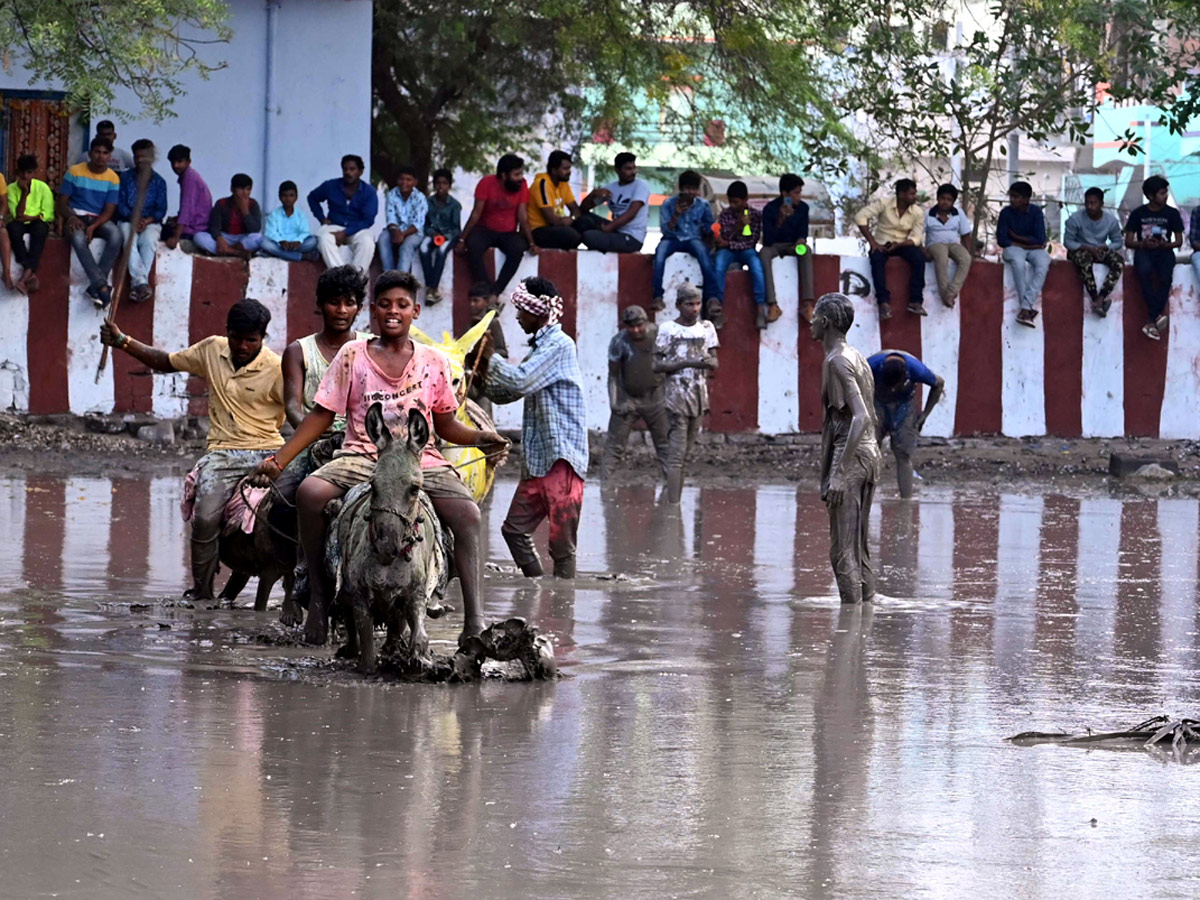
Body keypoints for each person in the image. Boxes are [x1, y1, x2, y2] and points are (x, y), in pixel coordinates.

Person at [252, 270, 508, 645]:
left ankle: (474, 620)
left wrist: (482, 438)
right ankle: (319, 596)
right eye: (385, 304)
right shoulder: (351, 355)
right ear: (372, 311)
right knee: (308, 493)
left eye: (402, 305)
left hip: (421, 461)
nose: (393, 312)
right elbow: (321, 416)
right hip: (363, 454)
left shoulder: (433, 361)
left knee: (468, 515)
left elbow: (447, 424)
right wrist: (278, 461)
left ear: (415, 311)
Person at [99, 298, 285, 602]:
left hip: (268, 452)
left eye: (251, 340)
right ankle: (202, 592)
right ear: (227, 332)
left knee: (302, 511)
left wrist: (284, 459)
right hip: (223, 452)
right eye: (236, 338)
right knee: (204, 519)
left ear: (262, 338)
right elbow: (165, 361)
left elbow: (296, 413)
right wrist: (123, 341)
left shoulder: (277, 368)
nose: (242, 346)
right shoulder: (212, 348)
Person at [479, 276, 588, 578]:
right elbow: (509, 393)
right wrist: (480, 379)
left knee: (562, 547)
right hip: (540, 461)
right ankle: (540, 588)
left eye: (521, 311)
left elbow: (520, 381)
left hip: (562, 458)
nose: (517, 317)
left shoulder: (559, 345)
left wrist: (492, 360)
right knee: (514, 531)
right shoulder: (540, 348)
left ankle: (562, 604)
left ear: (538, 311)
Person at [271, 266, 372, 558]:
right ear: (320, 305)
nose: (341, 310)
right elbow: (292, 404)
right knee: (281, 501)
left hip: (363, 444)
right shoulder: (298, 351)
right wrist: (317, 434)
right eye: (334, 301)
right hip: (313, 441)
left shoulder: (371, 347)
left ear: (360, 308)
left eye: (349, 303)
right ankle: (294, 568)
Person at [813, 292, 881, 605]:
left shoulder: (837, 361)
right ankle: (864, 619)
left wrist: (838, 472)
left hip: (852, 457)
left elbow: (861, 416)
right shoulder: (857, 357)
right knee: (858, 547)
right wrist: (825, 471)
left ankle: (850, 627)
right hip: (868, 456)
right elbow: (837, 421)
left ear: (825, 322)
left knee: (841, 550)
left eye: (814, 316)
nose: (810, 322)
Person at [654, 284, 719, 503]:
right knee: (676, 455)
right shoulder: (667, 329)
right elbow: (657, 365)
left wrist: (708, 362)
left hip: (699, 397)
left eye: (697, 303)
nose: (694, 308)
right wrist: (687, 362)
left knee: (688, 455)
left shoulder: (707, 328)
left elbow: (715, 361)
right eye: (689, 304)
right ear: (678, 305)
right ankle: (672, 506)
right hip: (676, 397)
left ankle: (674, 501)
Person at [602, 305, 669, 479]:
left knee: (666, 446)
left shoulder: (660, 337)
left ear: (646, 322)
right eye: (631, 326)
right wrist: (615, 404)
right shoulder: (619, 342)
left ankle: (672, 492)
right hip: (628, 399)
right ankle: (605, 487)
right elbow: (613, 377)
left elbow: (673, 369)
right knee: (614, 447)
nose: (636, 330)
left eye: (639, 325)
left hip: (656, 398)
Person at [457, 153, 537, 299]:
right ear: (504, 175)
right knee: (473, 246)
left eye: (521, 174)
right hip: (485, 230)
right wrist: (462, 239)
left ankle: (496, 292)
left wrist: (531, 242)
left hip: (508, 233)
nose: (520, 178)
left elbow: (522, 216)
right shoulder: (486, 183)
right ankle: (487, 290)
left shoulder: (523, 185)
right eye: (516, 174)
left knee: (518, 249)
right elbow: (476, 214)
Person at [867, 350, 944, 499]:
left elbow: (939, 383)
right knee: (870, 450)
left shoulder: (916, 369)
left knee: (903, 454)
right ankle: (865, 499)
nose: (893, 389)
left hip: (904, 405)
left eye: (896, 385)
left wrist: (924, 415)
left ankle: (906, 504)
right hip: (876, 403)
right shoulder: (869, 366)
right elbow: (850, 385)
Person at [57, 135, 123, 308]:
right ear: (90, 154)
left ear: (110, 156)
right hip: (75, 217)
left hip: (97, 219)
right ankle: (101, 285)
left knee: (116, 235)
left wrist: (93, 226)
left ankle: (96, 286)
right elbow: (61, 203)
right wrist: (71, 217)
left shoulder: (113, 178)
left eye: (105, 153)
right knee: (78, 239)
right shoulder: (75, 172)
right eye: (97, 152)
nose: (101, 156)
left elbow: (109, 210)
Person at [652, 170, 719, 323]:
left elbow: (709, 227)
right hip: (673, 238)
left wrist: (711, 230)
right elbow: (665, 229)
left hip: (693, 239)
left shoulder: (703, 205)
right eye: (687, 189)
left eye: (694, 189)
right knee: (660, 254)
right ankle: (657, 296)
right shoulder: (669, 204)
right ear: (681, 189)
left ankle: (713, 298)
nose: (691, 193)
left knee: (704, 255)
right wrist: (676, 214)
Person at [855, 178, 926, 320]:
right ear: (901, 194)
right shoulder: (884, 203)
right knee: (876, 259)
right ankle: (883, 303)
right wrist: (873, 242)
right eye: (911, 194)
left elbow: (917, 238)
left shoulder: (917, 212)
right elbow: (860, 216)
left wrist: (900, 244)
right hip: (882, 243)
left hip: (902, 245)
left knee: (918, 258)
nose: (915, 196)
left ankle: (915, 301)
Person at [1126, 174, 1183, 341]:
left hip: (1165, 251)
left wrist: (1166, 244)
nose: (1165, 196)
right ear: (1150, 196)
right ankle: (1156, 315)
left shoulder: (1172, 214)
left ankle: (1151, 319)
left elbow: (1179, 241)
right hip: (1144, 251)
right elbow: (1128, 241)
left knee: (1166, 277)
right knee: (1143, 272)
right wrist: (1144, 243)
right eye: (1162, 193)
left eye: (1166, 192)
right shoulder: (1138, 214)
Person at [713, 180, 773, 329]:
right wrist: (738, 227)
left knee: (757, 267)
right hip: (728, 251)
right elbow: (724, 236)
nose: (733, 205)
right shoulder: (726, 214)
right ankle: (718, 306)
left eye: (736, 202)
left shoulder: (755, 215)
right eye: (730, 202)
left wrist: (731, 243)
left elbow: (752, 241)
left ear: (745, 200)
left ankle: (760, 308)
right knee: (719, 265)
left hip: (745, 250)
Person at [116, 138, 168, 303]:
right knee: (128, 237)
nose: (139, 161)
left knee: (149, 240)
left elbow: (161, 210)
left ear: (151, 158)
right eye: (136, 157)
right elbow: (120, 205)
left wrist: (146, 221)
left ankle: (137, 284)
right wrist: (134, 220)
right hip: (127, 220)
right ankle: (141, 283)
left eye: (143, 157)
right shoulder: (125, 178)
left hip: (150, 222)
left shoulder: (160, 182)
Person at [307, 154, 379, 273]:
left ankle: (355, 278)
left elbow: (368, 220)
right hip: (334, 225)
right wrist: (321, 218)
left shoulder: (369, 192)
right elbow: (312, 198)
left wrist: (346, 232)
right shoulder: (331, 186)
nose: (348, 172)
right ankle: (341, 276)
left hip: (357, 229)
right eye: (345, 169)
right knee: (323, 238)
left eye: (352, 169)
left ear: (360, 172)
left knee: (367, 242)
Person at [760, 173, 815, 322]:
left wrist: (801, 241)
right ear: (785, 194)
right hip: (775, 246)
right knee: (763, 254)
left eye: (799, 192)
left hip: (793, 246)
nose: (798, 196)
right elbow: (768, 240)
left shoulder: (803, 208)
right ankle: (772, 304)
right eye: (796, 193)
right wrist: (781, 218)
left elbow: (803, 232)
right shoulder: (770, 208)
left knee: (806, 251)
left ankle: (807, 303)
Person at [997, 181, 1051, 329]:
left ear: (1026, 199)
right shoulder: (1006, 213)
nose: (1012, 200)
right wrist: (1028, 243)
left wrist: (1016, 237)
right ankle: (1026, 308)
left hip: (1027, 248)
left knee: (1044, 262)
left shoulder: (1036, 212)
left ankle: (1025, 307)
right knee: (1019, 263)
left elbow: (1040, 239)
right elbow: (1002, 240)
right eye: (1012, 196)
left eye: (1017, 197)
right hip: (1014, 249)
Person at [1064, 186, 1124, 317]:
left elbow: (1118, 242)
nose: (1090, 206)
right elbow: (1068, 242)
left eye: (1093, 203)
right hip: (1080, 250)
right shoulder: (1075, 219)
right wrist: (1086, 247)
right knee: (1085, 260)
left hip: (1100, 250)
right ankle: (1094, 297)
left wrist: (1106, 247)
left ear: (1101, 204)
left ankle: (1102, 297)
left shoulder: (1111, 221)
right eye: (1087, 203)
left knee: (1118, 262)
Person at [579, 152, 650, 255]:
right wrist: (593, 194)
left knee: (589, 236)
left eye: (634, 168)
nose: (633, 172)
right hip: (616, 230)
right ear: (618, 170)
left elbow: (631, 213)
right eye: (628, 169)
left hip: (632, 237)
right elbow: (583, 209)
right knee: (583, 220)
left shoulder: (640, 185)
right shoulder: (611, 188)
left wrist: (609, 228)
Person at [7, 153, 53, 294]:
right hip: (21, 223)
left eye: (29, 172)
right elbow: (18, 216)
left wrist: (32, 217)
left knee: (40, 229)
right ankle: (30, 272)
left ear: (34, 172)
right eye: (23, 172)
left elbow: (46, 215)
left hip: (37, 223)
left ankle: (26, 274)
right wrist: (25, 194)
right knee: (13, 229)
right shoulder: (11, 189)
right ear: (18, 172)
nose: (26, 176)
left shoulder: (43, 188)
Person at [463, 281, 508, 417]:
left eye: (476, 301)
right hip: (469, 379)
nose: (472, 305)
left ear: (486, 301)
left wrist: (486, 353)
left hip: (485, 380)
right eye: (470, 301)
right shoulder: (469, 326)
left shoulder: (492, 324)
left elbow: (502, 351)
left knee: (484, 417)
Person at [924, 183, 973, 308]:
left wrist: (969, 252)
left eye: (949, 200)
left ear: (953, 201)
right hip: (934, 244)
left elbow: (965, 235)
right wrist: (924, 252)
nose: (945, 202)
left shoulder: (958, 213)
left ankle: (951, 293)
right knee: (942, 257)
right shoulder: (927, 213)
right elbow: (918, 235)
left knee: (966, 258)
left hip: (952, 244)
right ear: (938, 198)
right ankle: (944, 295)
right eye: (942, 198)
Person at [194, 174, 263, 259]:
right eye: (241, 189)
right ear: (232, 189)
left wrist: (245, 210)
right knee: (199, 237)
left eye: (248, 189)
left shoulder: (253, 204)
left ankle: (227, 251)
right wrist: (219, 238)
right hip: (225, 237)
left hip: (242, 238)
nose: (245, 193)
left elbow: (255, 229)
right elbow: (214, 227)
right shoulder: (221, 203)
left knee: (258, 238)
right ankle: (236, 253)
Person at [420, 168, 462, 304]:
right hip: (433, 234)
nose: (440, 186)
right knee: (423, 249)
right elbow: (424, 224)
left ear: (449, 186)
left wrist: (446, 236)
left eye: (444, 183)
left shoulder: (455, 205)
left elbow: (456, 228)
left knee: (441, 251)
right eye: (438, 183)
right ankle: (430, 288)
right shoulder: (427, 202)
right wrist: (432, 233)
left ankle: (433, 288)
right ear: (434, 185)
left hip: (448, 236)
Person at [377, 164, 427, 273]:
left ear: (415, 182)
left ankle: (400, 278)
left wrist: (402, 234)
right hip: (395, 230)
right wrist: (395, 232)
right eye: (401, 179)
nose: (404, 183)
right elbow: (391, 218)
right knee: (382, 239)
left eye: (408, 180)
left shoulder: (420, 198)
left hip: (414, 232)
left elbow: (418, 223)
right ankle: (388, 273)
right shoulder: (392, 195)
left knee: (406, 246)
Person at [162, 145, 213, 250]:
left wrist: (176, 237)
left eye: (180, 162)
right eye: (173, 162)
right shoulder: (187, 176)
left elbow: (187, 210)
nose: (176, 166)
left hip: (197, 227)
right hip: (196, 223)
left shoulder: (189, 178)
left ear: (188, 162)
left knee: (163, 232)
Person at [261, 180, 318, 262]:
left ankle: (276, 254)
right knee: (264, 242)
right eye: (284, 195)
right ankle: (301, 256)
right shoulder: (274, 214)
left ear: (296, 197)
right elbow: (270, 233)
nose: (288, 199)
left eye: (291, 195)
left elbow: (305, 232)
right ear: (280, 197)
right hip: (280, 245)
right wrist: (281, 241)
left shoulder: (301, 214)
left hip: (297, 246)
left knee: (314, 241)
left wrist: (298, 241)